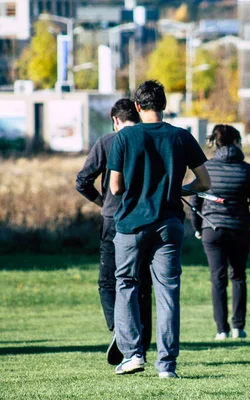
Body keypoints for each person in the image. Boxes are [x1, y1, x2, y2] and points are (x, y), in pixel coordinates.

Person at [107, 80, 211, 378]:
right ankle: (167, 365)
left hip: (131, 225)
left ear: (137, 107)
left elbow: (114, 187)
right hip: (169, 223)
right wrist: (181, 189)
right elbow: (205, 182)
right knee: (168, 292)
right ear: (164, 105)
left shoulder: (125, 138)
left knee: (126, 284)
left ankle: (133, 354)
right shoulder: (181, 137)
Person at [75, 98, 153, 366]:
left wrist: (102, 202)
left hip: (114, 217)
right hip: (147, 217)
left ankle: (119, 332)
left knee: (108, 281)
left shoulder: (108, 142)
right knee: (142, 281)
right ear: (139, 115)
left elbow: (82, 180)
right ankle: (142, 340)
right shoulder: (150, 139)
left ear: (115, 120)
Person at [190, 124, 250, 341]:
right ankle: (239, 327)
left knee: (217, 278)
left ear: (216, 143)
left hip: (212, 228)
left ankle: (222, 329)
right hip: (239, 228)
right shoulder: (247, 170)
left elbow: (194, 198)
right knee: (238, 276)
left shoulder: (207, 168)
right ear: (237, 143)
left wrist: (197, 227)